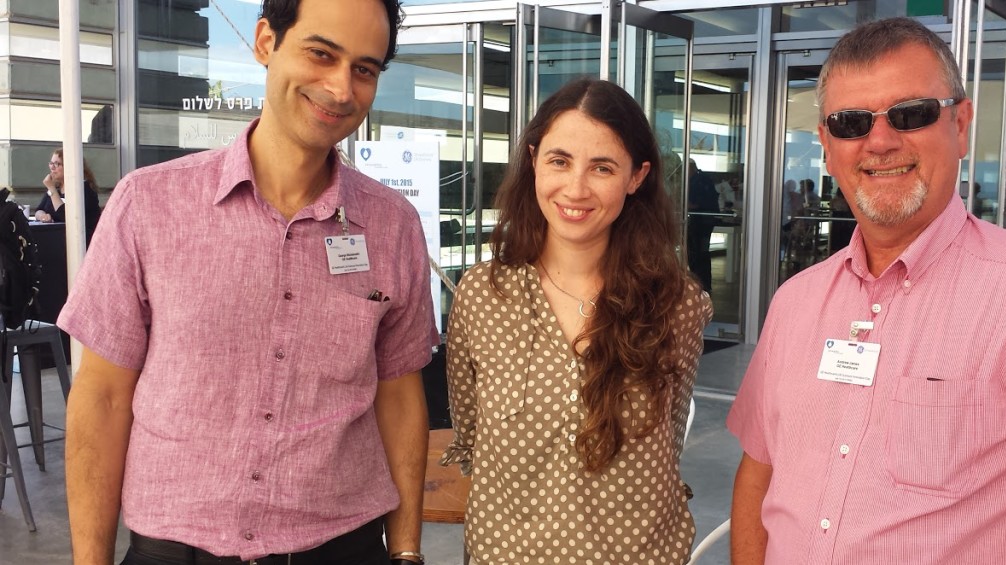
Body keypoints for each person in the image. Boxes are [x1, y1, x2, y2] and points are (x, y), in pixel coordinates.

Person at [727, 17, 1006, 565]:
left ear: (960, 126)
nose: (880, 141)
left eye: (911, 113)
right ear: (826, 144)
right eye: (850, 123)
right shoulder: (795, 301)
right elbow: (759, 475)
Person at [58, 1, 437, 564]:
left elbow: (399, 396)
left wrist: (405, 553)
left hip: (342, 548)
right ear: (265, 42)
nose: (340, 89)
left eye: (364, 69)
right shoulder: (149, 205)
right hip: (176, 551)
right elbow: (103, 397)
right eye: (321, 53)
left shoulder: (392, 226)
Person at [439, 77, 712, 564]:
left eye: (602, 167)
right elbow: (471, 435)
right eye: (559, 161)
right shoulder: (482, 295)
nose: (576, 188)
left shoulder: (676, 304)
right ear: (533, 161)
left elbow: (667, 443)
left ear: (636, 177)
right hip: (507, 554)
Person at [35, 147, 102, 246]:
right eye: (51, 163)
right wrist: (42, 216)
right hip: (56, 241)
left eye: (57, 164)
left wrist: (51, 189)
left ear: (69, 166)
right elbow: (39, 210)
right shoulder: (56, 187)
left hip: (80, 244)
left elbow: (66, 216)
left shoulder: (83, 188)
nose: (52, 167)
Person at [687, 159, 719, 292]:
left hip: (701, 223)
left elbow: (696, 204)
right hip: (704, 222)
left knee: (698, 254)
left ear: (691, 168)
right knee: (700, 253)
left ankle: (701, 284)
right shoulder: (702, 179)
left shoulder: (699, 181)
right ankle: (702, 285)